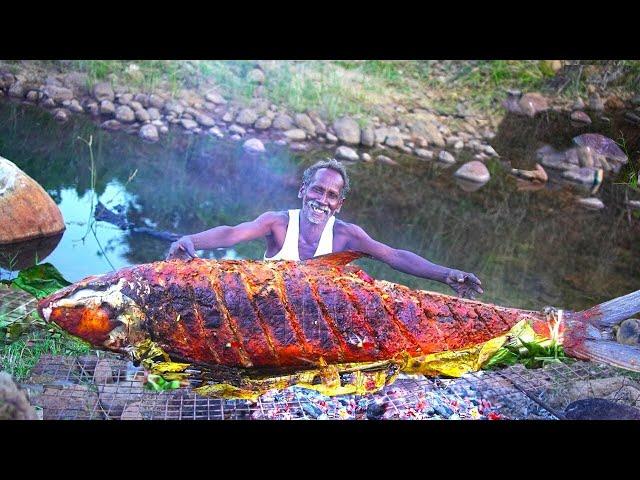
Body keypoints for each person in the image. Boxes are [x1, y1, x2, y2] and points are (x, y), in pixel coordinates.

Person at [167, 159, 483, 298]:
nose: (322, 200)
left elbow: (395, 256)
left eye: (331, 195)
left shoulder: (347, 235)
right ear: (303, 191)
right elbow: (232, 233)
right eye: (317, 190)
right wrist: (189, 239)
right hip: (268, 306)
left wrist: (446, 274)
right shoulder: (278, 222)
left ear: (339, 204)